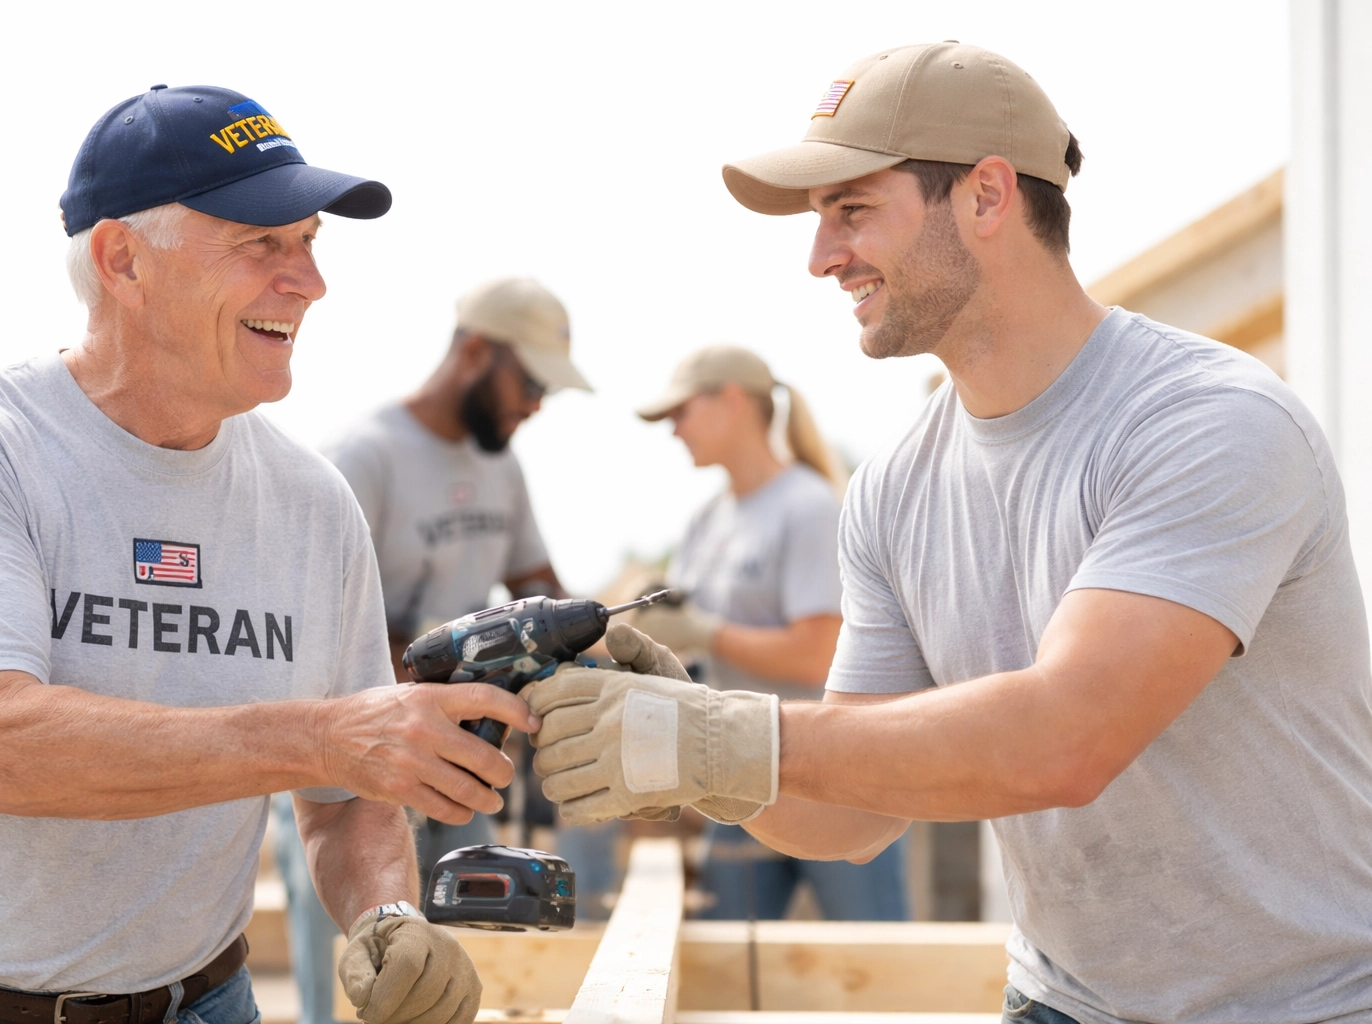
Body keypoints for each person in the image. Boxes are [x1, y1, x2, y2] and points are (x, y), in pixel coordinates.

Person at [525, 42, 1372, 1024]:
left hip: (1305, 1004)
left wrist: (724, 734)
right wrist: (686, 746)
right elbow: (849, 814)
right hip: (1063, 999)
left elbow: (1070, 737)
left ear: (985, 196)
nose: (820, 257)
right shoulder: (895, 488)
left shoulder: (1209, 422)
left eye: (852, 211)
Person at [0, 84, 538, 1024]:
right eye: (261, 244)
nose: (309, 282)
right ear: (122, 259)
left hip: (202, 999)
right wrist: (321, 734)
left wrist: (388, 916)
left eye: (310, 243)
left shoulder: (313, 504)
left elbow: (346, 800)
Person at [272, 277, 588, 1024]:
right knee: (356, 984)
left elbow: (540, 587)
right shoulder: (364, 457)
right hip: (346, 776)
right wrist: (449, 668)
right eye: (531, 381)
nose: (536, 404)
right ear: (476, 350)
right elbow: (312, 632)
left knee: (446, 981)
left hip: (457, 765)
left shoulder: (499, 466)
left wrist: (594, 648)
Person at [631, 345, 907, 921]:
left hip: (833, 783)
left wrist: (705, 630)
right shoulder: (707, 520)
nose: (674, 430)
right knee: (728, 978)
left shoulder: (807, 508)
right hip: (742, 779)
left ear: (731, 400)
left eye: (681, 412)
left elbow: (817, 655)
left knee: (870, 965)